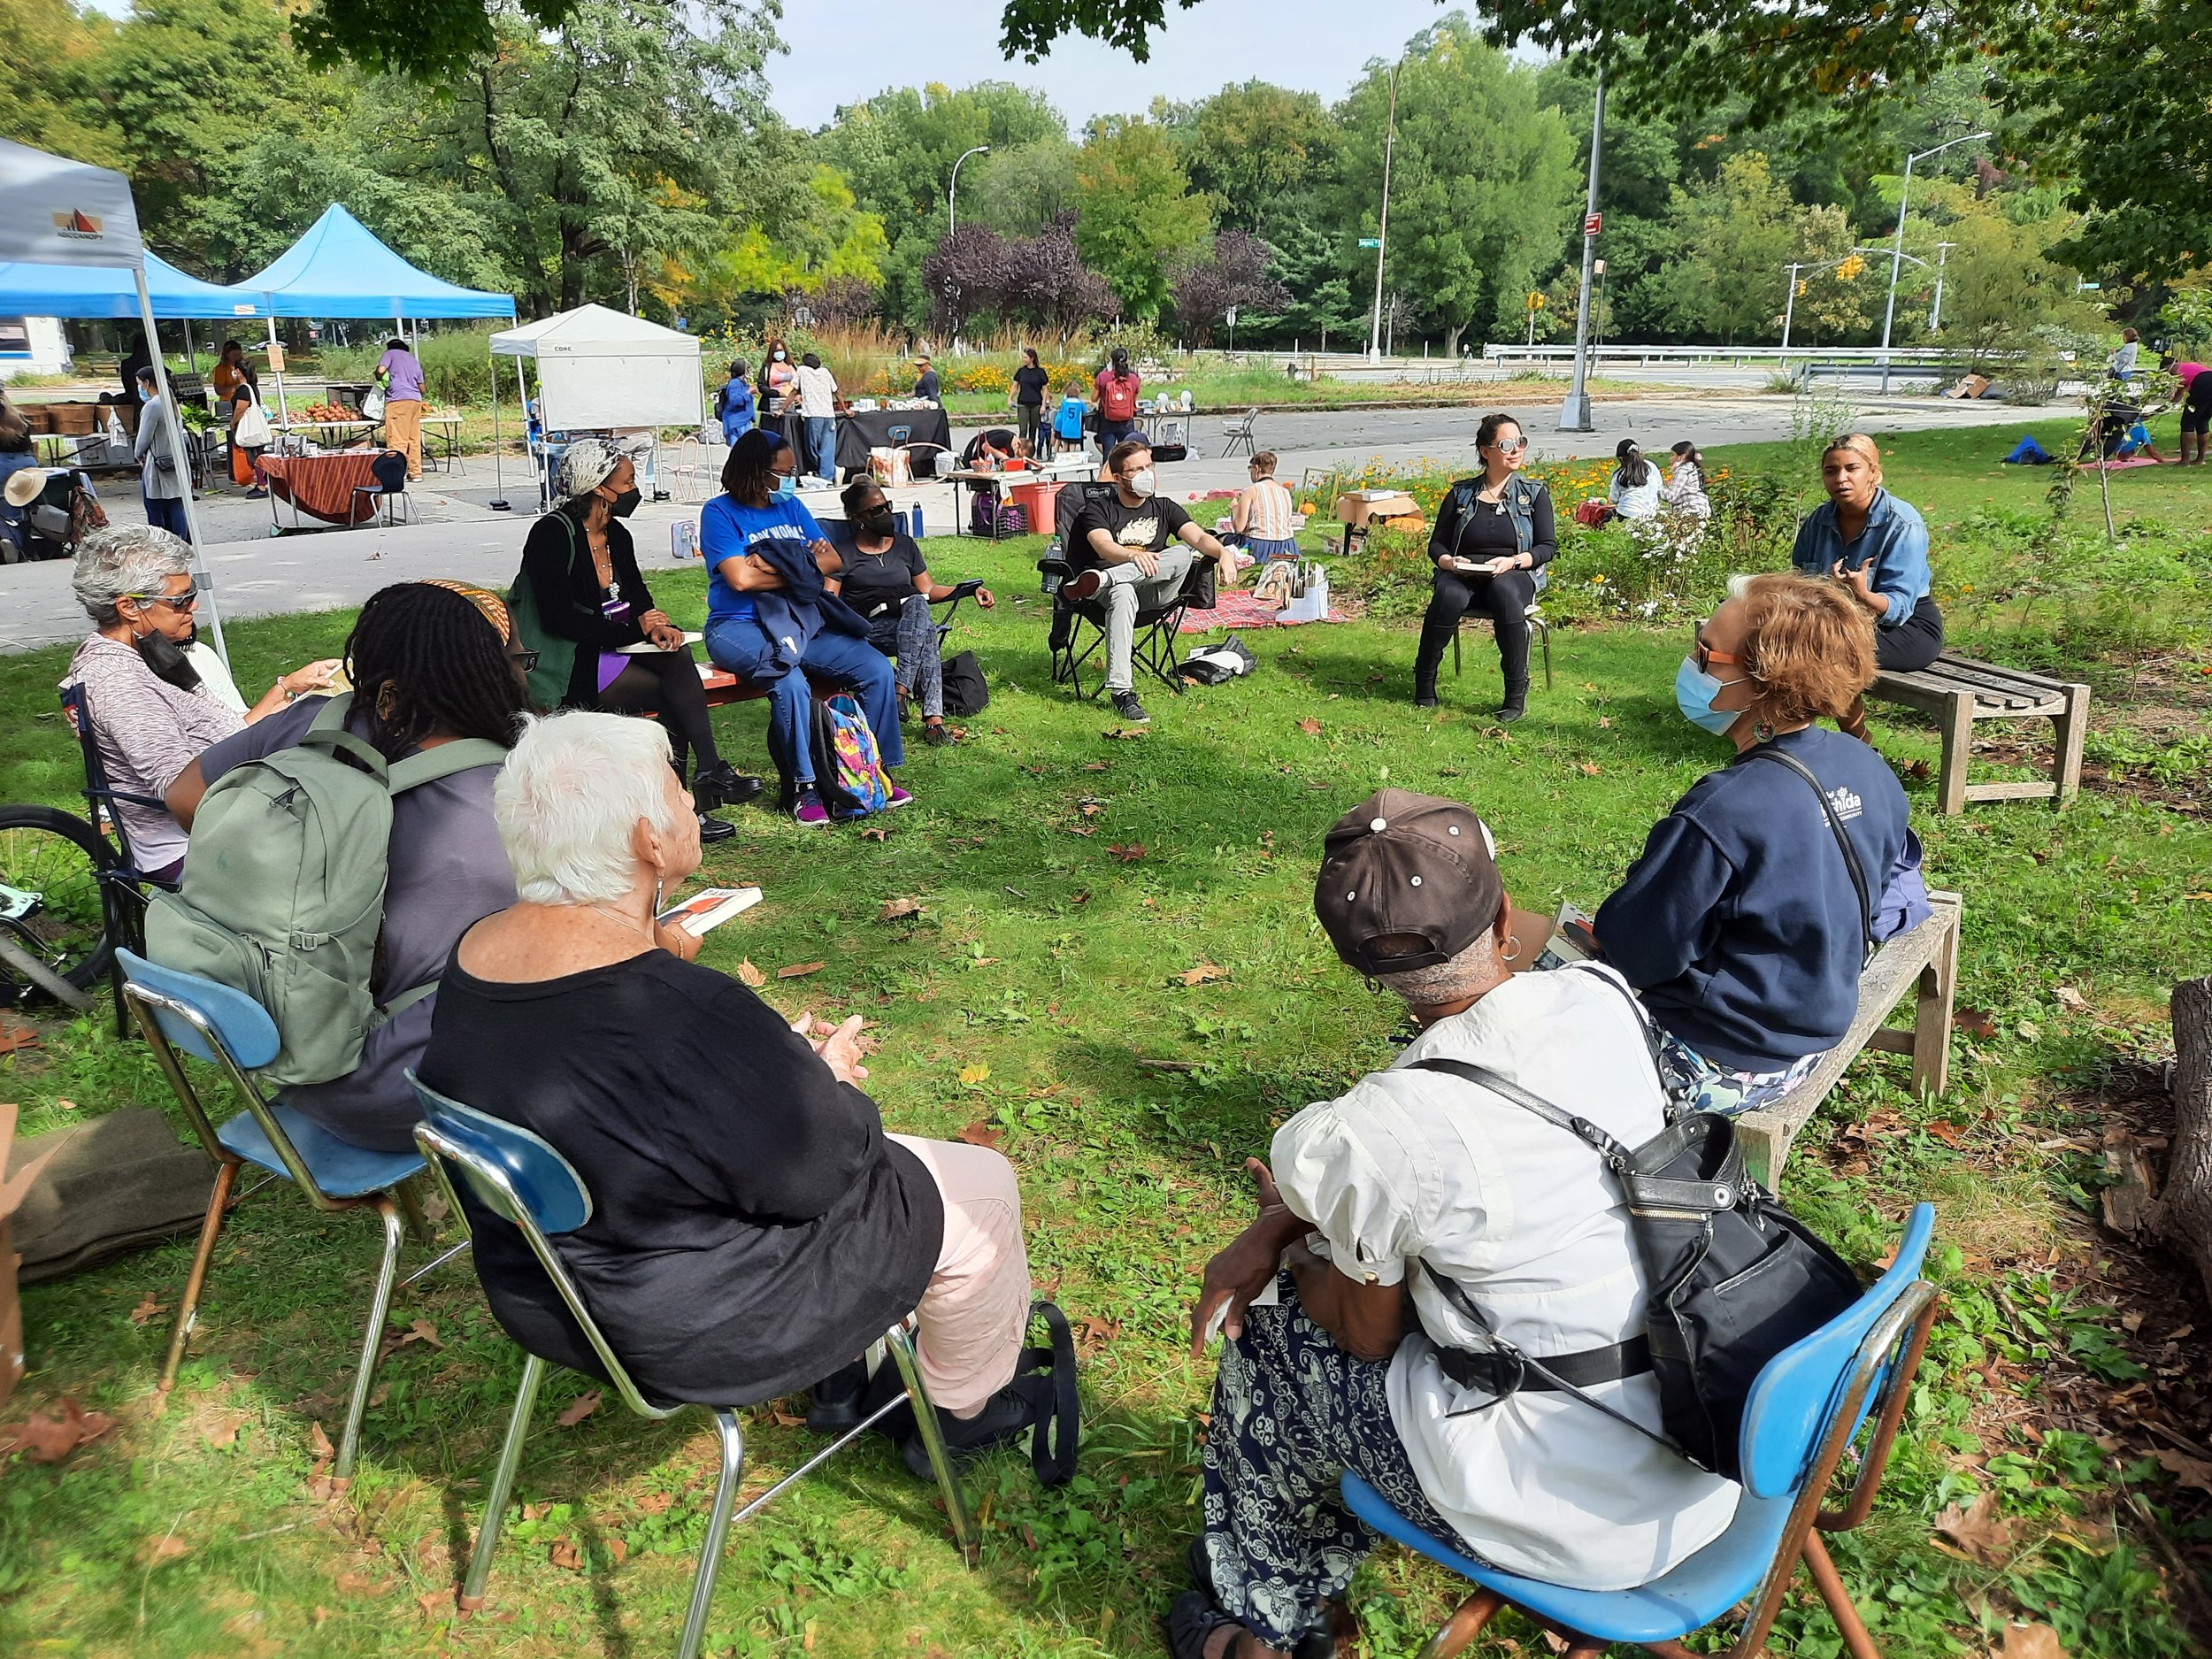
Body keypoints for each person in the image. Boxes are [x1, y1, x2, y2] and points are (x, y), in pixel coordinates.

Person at [1175, 789, 1741, 1659]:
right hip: (1712, 1433)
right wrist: (1287, 1226)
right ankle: (1293, 1567)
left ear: (1357, 966)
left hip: (1568, 1509)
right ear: (1507, 917)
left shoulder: (1377, 1131)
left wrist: (1294, 1246)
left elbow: (1365, 1338)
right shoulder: (1602, 999)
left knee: (1275, 1342)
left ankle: (1266, 1620)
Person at [417, 710, 1058, 1465]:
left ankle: (846, 1374)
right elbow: (823, 1171)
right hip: (690, 1321)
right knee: (981, 1184)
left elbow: (626, 1096)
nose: (692, 801)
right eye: (677, 787)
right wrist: (828, 1081)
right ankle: (955, 1411)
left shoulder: (477, 950)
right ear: (647, 842)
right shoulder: (683, 1012)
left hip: (551, 1291)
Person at [173, 582, 530, 1151]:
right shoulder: (513, 797)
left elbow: (184, 795)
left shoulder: (310, 722)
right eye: (517, 661)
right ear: (488, 672)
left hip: (279, 1047)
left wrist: (277, 866)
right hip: (402, 1095)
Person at [1593, 573, 1917, 1117]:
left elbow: (1634, 949)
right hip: (1811, 1031)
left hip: (1722, 1059)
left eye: (1704, 649)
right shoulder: (1866, 764)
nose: (1692, 660)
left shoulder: (1724, 809)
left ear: (1761, 684)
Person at [511, 438, 760, 841]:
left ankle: (697, 785)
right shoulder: (552, 534)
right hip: (569, 657)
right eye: (628, 481)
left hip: (613, 646)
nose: (635, 489)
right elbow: (560, 619)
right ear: (598, 486)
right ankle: (688, 802)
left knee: (676, 654)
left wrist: (653, 620)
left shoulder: (617, 534)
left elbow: (637, 594)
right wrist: (634, 630)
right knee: (672, 696)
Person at [64, 526, 339, 881]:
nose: (193, 605)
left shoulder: (147, 651)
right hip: (197, 850)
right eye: (180, 599)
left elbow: (223, 734)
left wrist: (286, 690)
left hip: (230, 819)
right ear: (129, 606)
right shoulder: (119, 681)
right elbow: (180, 790)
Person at [702, 428, 910, 826]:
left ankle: (873, 771)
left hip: (799, 620)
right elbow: (740, 581)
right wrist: (799, 568)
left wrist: (772, 564)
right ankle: (806, 787)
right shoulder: (719, 513)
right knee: (789, 681)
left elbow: (832, 561)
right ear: (755, 472)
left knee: (876, 669)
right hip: (738, 625)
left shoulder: (791, 507)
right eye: (781, 471)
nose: (788, 478)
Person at [1059, 438, 1240, 726]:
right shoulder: (1098, 509)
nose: (1146, 474)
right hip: (1112, 597)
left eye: (1148, 466)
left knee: (1182, 552)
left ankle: (1103, 579)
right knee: (1122, 591)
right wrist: (1131, 557)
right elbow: (1104, 547)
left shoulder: (1165, 508)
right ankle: (1122, 692)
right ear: (1118, 478)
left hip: (1156, 591)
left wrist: (1224, 554)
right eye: (1136, 470)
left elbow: (1199, 538)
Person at [1789, 434, 1940, 731]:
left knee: (1827, 650)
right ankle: (1779, 735)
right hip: (1837, 623)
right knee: (1780, 637)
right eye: (1831, 471)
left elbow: (1898, 608)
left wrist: (1861, 594)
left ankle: (1859, 745)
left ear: (1873, 472)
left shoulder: (1903, 523)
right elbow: (1798, 582)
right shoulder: (1818, 520)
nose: (1841, 478)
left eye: (1852, 468)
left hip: (1905, 628)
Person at [829, 479, 995, 748]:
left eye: (887, 507)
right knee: (924, 629)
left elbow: (928, 589)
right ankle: (933, 722)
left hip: (908, 622)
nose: (885, 514)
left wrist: (968, 590)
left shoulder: (904, 545)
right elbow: (830, 599)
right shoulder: (844, 553)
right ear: (858, 518)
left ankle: (900, 692)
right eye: (876, 511)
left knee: (918, 607)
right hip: (869, 628)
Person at [1413, 412, 1556, 721]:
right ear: (1485, 451)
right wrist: (1449, 561)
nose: (1516, 449)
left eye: (1521, 442)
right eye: (1506, 444)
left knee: (1504, 590)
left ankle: (1514, 696)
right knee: (1448, 594)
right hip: (1464, 573)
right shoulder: (1461, 493)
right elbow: (1436, 545)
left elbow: (1547, 547)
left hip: (1513, 574)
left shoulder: (1534, 494)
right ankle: (1424, 684)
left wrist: (1513, 561)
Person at [132, 366, 188, 539]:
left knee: (154, 508)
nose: (140, 388)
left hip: (157, 465)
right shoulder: (171, 402)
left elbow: (143, 440)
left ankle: (161, 546)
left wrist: (138, 455)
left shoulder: (153, 406)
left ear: (147, 383)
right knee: (175, 504)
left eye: (140, 384)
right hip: (175, 462)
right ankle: (181, 542)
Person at [1228, 452, 1297, 565]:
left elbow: (1239, 528)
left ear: (1257, 469)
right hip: (1287, 546)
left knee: (1223, 539)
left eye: (1250, 469)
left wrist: (1234, 509)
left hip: (1260, 545)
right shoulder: (1285, 491)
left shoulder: (1251, 491)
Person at [375, 336, 426, 482]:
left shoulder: (390, 354)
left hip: (398, 400)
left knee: (397, 438)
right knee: (413, 438)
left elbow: (381, 370)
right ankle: (416, 473)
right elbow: (422, 387)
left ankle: (398, 472)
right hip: (415, 401)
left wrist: (380, 377)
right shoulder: (413, 360)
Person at [0, 399, 38, 560]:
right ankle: (23, 543)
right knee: (16, 507)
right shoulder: (20, 417)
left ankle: (11, 544)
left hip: (2, 464)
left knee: (4, 511)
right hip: (26, 464)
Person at [795, 350, 840, 483]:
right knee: (827, 447)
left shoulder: (802, 370)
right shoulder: (825, 372)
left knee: (812, 447)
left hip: (813, 415)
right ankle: (829, 472)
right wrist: (845, 409)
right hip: (829, 415)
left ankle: (825, 475)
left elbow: (793, 390)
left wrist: (782, 408)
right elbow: (837, 391)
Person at [227, 371, 267, 498]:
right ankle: (261, 483)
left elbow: (241, 408)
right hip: (254, 427)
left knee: (254, 456)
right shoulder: (253, 387)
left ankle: (261, 485)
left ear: (240, 372)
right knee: (257, 454)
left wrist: (233, 422)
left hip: (248, 428)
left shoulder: (244, 389)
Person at [1094, 348, 1141, 451]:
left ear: (1112, 360)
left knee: (1108, 453)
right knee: (1126, 453)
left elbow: (1093, 398)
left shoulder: (1103, 376)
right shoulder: (1133, 378)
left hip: (1107, 420)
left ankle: (1108, 467)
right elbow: (1133, 400)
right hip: (1126, 421)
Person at [1607, 440, 1660, 520]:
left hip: (1627, 513)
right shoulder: (1652, 467)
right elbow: (1659, 487)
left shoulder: (1619, 474)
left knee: (1606, 516)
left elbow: (1614, 499)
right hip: (1651, 513)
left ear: (1621, 459)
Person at [1010, 347, 1050, 449]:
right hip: (1023, 403)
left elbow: (1045, 389)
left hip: (1036, 404)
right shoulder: (1021, 371)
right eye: (1023, 357)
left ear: (1032, 359)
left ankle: (1030, 451)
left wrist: (1044, 404)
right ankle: (1021, 450)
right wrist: (1010, 398)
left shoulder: (1040, 372)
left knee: (1033, 430)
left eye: (1025, 357)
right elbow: (1015, 386)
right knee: (1023, 429)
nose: (1023, 359)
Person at [1661, 440, 1712, 518]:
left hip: (1691, 509)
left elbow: (1671, 496)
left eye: (1672, 455)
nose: (1669, 458)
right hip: (1701, 508)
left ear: (1682, 457)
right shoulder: (1691, 468)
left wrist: (1656, 489)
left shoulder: (1683, 471)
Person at [716, 359, 756, 447]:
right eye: (747, 369)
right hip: (736, 422)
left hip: (743, 420)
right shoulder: (734, 384)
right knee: (737, 449)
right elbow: (734, 401)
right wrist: (748, 393)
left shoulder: (743, 383)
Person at [2181, 363, 2212, 466]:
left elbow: (2178, 391)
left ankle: (2185, 461)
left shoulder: (2175, 372)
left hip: (2202, 383)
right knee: (2203, 420)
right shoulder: (2187, 367)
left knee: (2188, 422)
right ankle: (2200, 459)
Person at [211, 339, 256, 407]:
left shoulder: (242, 366)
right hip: (229, 403)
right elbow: (219, 390)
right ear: (226, 354)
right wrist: (238, 387)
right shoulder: (221, 369)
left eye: (239, 355)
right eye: (234, 355)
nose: (238, 357)